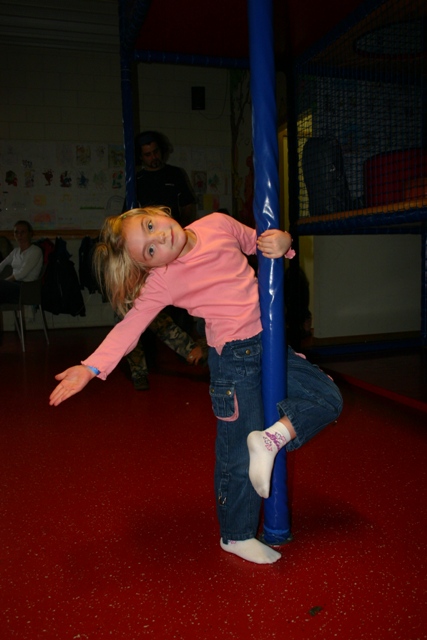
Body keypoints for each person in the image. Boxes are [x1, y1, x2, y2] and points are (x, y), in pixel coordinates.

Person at [49, 208, 343, 565]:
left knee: (328, 397)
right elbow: (130, 326)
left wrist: (285, 244)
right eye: (150, 252)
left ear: (156, 212)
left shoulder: (218, 223)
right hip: (234, 360)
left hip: (272, 344)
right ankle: (236, 535)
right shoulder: (163, 280)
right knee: (237, 454)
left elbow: (259, 243)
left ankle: (271, 439)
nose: (159, 239)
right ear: (151, 266)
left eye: (151, 226)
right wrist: (90, 367)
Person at [122, 130, 199, 388]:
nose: (153, 157)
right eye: (147, 154)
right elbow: (127, 223)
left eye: (156, 152)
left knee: (189, 301)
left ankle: (198, 349)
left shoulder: (175, 175)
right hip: (147, 256)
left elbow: (188, 211)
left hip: (175, 250)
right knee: (137, 310)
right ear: (140, 157)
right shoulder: (137, 180)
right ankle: (139, 371)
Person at [0, 220, 43, 303]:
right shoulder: (15, 251)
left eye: (23, 232)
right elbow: (2, 265)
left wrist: (3, 282)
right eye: (16, 232)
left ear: (30, 234)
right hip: (15, 285)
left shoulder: (35, 251)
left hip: (27, 288)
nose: (19, 235)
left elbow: (21, 274)